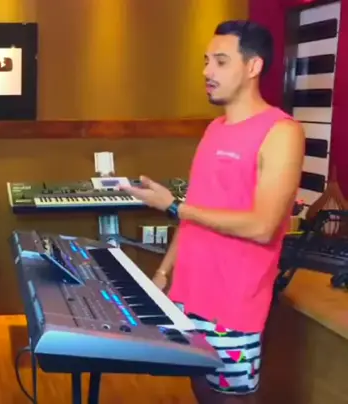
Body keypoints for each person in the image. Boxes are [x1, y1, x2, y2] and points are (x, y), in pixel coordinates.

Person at [122, 20, 304, 404]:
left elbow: (262, 226)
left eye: (220, 61)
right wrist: (163, 274)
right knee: (201, 390)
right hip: (187, 294)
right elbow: (192, 214)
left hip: (232, 306)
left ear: (253, 66)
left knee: (229, 399)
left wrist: (174, 205)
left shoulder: (282, 132)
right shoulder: (214, 129)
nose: (207, 71)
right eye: (206, 61)